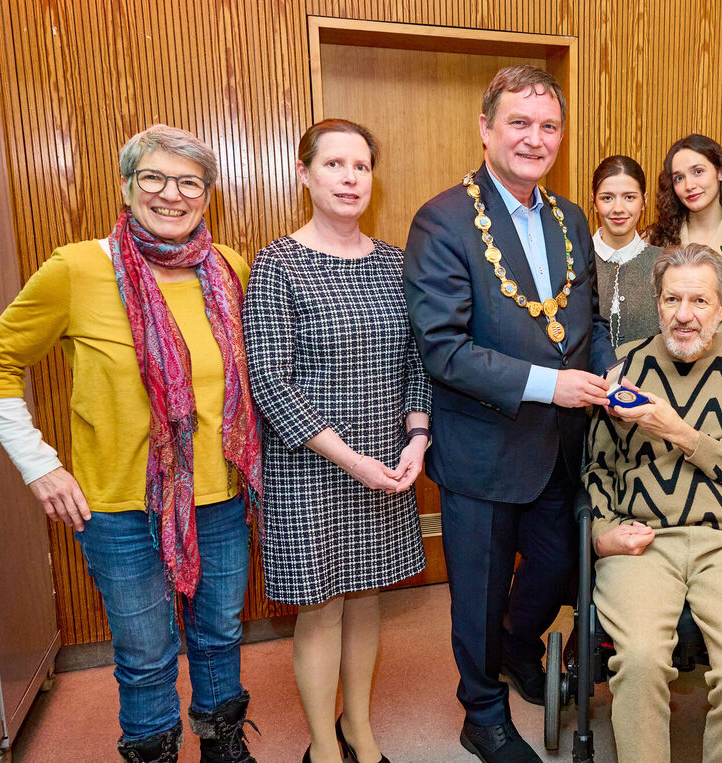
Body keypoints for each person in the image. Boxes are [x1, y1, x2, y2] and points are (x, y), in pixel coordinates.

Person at [0, 125, 262, 763]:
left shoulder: (228, 268)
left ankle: (223, 746)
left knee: (219, 634)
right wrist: (40, 467)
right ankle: (154, 751)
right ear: (128, 187)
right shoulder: (78, 267)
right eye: (154, 178)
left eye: (190, 182)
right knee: (145, 652)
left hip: (218, 493)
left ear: (207, 195)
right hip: (118, 505)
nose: (172, 194)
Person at [403, 65, 615, 763]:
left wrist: (611, 371)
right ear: (486, 128)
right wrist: (546, 385)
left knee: (554, 567)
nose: (534, 138)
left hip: (559, 443)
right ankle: (481, 708)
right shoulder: (442, 220)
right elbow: (443, 349)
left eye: (548, 125)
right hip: (483, 446)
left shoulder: (569, 217)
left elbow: (585, 322)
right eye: (518, 123)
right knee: (479, 587)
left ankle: (520, 648)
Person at [243, 119, 430, 763]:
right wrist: (352, 460)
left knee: (367, 599)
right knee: (321, 608)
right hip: (312, 464)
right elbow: (269, 379)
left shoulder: (393, 263)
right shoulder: (278, 263)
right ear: (305, 175)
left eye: (361, 166)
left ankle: (361, 728)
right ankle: (324, 743)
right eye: (335, 165)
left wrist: (417, 436)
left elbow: (416, 364)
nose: (350, 178)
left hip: (385, 460)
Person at [587, 243, 722, 763]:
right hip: (641, 542)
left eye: (699, 301)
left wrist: (681, 434)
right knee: (640, 660)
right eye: (672, 299)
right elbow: (599, 469)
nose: (684, 315)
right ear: (657, 304)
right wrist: (600, 535)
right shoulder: (624, 368)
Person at [648, 134, 722, 256]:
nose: (689, 186)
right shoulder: (657, 239)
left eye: (698, 172)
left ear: (721, 172)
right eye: (679, 178)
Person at [591, 155, 662, 345]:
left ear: (644, 201)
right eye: (607, 198)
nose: (618, 208)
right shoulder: (574, 260)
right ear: (594, 203)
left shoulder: (664, 263)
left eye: (629, 197)